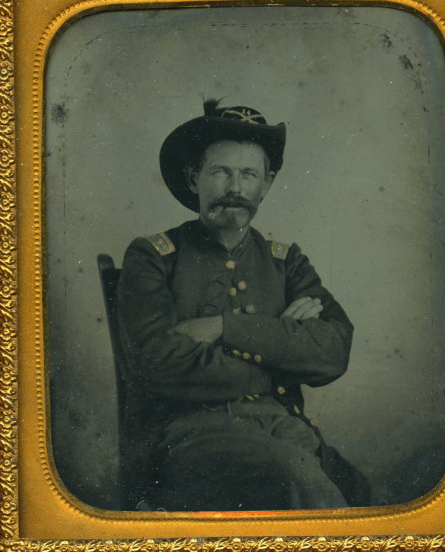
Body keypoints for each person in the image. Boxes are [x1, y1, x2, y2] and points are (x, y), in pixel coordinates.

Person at [114, 99, 370, 512]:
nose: (235, 188)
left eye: (248, 174)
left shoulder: (286, 262)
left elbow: (335, 348)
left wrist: (221, 328)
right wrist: (279, 348)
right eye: (220, 172)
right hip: (190, 434)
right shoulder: (154, 256)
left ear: (265, 184)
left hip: (285, 427)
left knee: (365, 498)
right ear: (194, 177)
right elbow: (154, 362)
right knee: (301, 481)